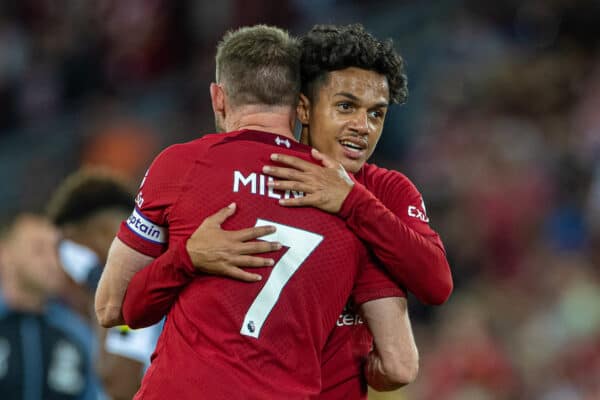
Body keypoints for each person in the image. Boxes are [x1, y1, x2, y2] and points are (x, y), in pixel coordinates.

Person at [95, 25, 404, 399]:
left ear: (218, 97)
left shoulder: (179, 165)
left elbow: (112, 307)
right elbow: (398, 363)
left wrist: (187, 257)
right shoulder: (352, 199)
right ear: (300, 104)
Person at [47, 168, 163, 400]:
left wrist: (97, 285)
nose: (56, 268)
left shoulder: (135, 289)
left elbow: (119, 383)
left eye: (62, 252)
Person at [0, 214, 101, 399]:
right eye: (38, 249)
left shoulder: (78, 335)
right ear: (4, 254)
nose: (53, 261)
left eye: (56, 250)